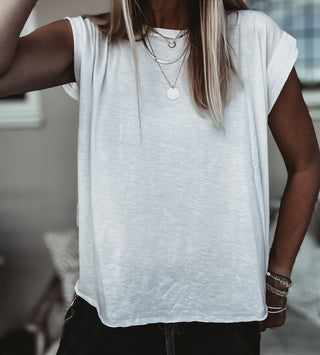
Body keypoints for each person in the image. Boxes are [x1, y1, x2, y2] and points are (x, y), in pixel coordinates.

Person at [1, 0, 320, 354]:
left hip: (222, 323)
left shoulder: (254, 36)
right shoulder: (89, 39)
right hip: (110, 323)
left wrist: (277, 278)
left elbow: (306, 164)